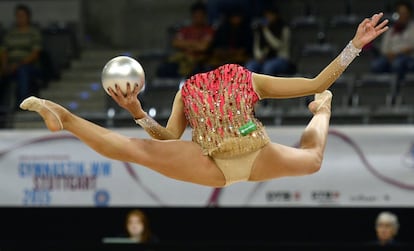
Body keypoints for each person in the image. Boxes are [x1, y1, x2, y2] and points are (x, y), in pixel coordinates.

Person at [19, 13, 388, 187]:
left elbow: (165, 140)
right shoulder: (246, 77)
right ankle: (322, 111)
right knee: (314, 158)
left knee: (134, 150)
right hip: (255, 154)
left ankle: (65, 118)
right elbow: (317, 80)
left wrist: (137, 112)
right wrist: (354, 45)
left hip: (211, 163)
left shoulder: (187, 88)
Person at [0, 4, 43, 109]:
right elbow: (4, 50)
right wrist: (5, 65)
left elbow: (35, 53)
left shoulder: (33, 32)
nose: (20, 18)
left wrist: (18, 65)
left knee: (22, 71)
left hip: (28, 66)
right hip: (10, 65)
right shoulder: (10, 33)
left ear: (28, 17)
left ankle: (22, 103)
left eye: (22, 15)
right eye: (18, 16)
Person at [156, 1, 215, 78]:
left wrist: (186, 44)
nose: (198, 18)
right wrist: (195, 44)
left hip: (199, 62)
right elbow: (175, 43)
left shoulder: (209, 30)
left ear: (204, 16)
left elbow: (203, 47)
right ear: (192, 16)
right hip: (183, 59)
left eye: (200, 16)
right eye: (196, 15)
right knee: (163, 69)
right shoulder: (185, 29)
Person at [370, 1, 414, 92]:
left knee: (397, 64)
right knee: (376, 65)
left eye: (404, 13)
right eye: (400, 13)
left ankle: (396, 91)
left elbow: (411, 47)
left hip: (408, 58)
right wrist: (389, 55)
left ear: (409, 14)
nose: (402, 16)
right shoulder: (390, 30)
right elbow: (384, 49)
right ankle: (381, 92)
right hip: (390, 57)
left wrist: (397, 54)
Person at [245, 5, 294, 77]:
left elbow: (277, 45)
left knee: (268, 67)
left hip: (281, 58)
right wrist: (259, 56)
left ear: (276, 15)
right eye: (266, 15)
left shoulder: (284, 28)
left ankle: (265, 88)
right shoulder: (259, 29)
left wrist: (266, 30)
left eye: (271, 15)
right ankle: (251, 88)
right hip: (263, 58)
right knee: (250, 66)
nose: (268, 17)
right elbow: (256, 46)